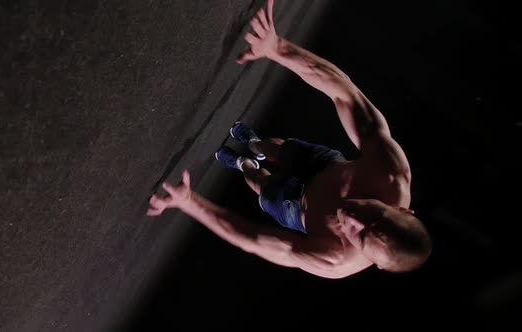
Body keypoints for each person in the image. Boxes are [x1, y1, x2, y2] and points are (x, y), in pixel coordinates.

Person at [147, 0, 431, 279]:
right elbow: (346, 95)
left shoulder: (333, 258)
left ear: (372, 260)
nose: (353, 218)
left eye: (361, 235)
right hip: (326, 168)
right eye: (374, 216)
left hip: (298, 208)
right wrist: (277, 48)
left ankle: (244, 164)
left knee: (261, 183)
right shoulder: (389, 173)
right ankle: (256, 145)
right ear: (400, 208)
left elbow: (255, 240)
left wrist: (189, 202)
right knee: (273, 147)